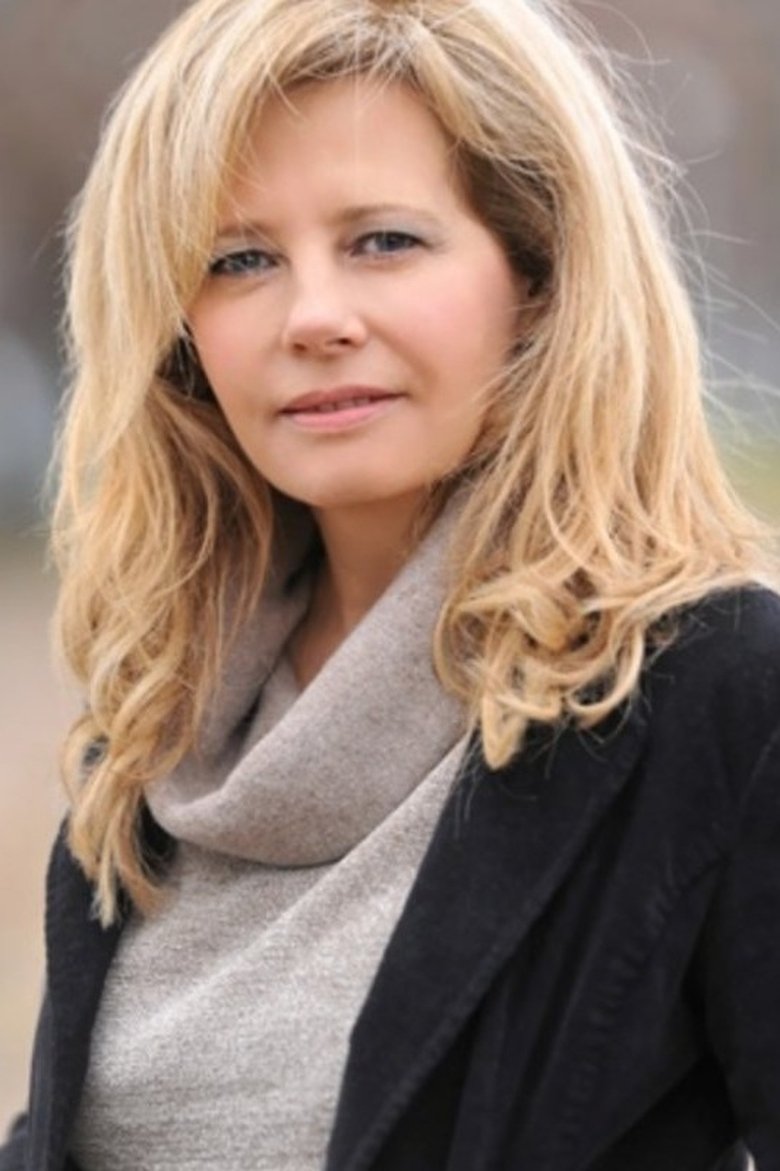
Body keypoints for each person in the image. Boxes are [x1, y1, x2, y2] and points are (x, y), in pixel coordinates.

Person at [3, 0, 780, 1167]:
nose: (313, 317)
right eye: (240, 259)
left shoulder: (718, 693)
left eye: (383, 241)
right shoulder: (161, 722)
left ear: (539, 277)